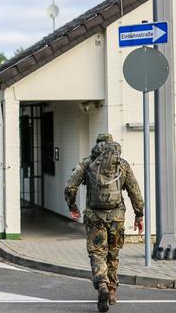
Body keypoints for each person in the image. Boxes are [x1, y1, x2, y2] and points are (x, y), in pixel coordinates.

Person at [65, 133, 144, 312]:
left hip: (94, 217)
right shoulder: (122, 165)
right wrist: (139, 216)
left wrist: (72, 206)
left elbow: (70, 187)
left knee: (97, 253)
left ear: (97, 146)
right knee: (113, 254)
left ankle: (101, 283)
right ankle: (112, 290)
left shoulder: (86, 163)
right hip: (117, 217)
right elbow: (135, 192)